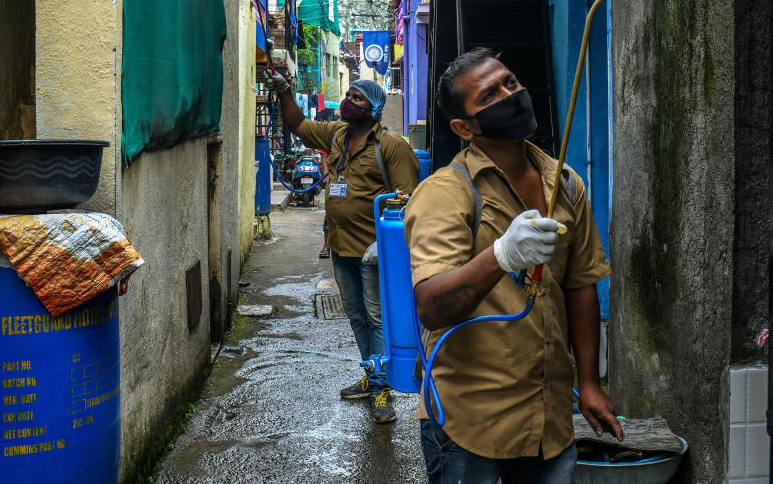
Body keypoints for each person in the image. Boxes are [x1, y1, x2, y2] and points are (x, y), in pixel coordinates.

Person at [404, 48, 623, 483]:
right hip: (470, 420)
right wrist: (500, 256)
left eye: (510, 82)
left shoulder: (564, 182)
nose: (510, 95)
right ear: (464, 128)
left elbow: (580, 285)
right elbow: (430, 305)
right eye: (489, 96)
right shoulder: (445, 192)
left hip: (550, 418)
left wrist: (591, 383)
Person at [267, 69, 420, 423]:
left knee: (377, 319)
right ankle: (372, 376)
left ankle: (383, 390)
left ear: (375, 108)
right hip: (341, 247)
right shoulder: (337, 134)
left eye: (357, 98)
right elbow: (299, 125)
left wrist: (388, 244)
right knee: (356, 317)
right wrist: (285, 91)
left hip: (373, 252)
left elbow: (410, 200)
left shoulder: (391, 146)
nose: (348, 102)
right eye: (348, 95)